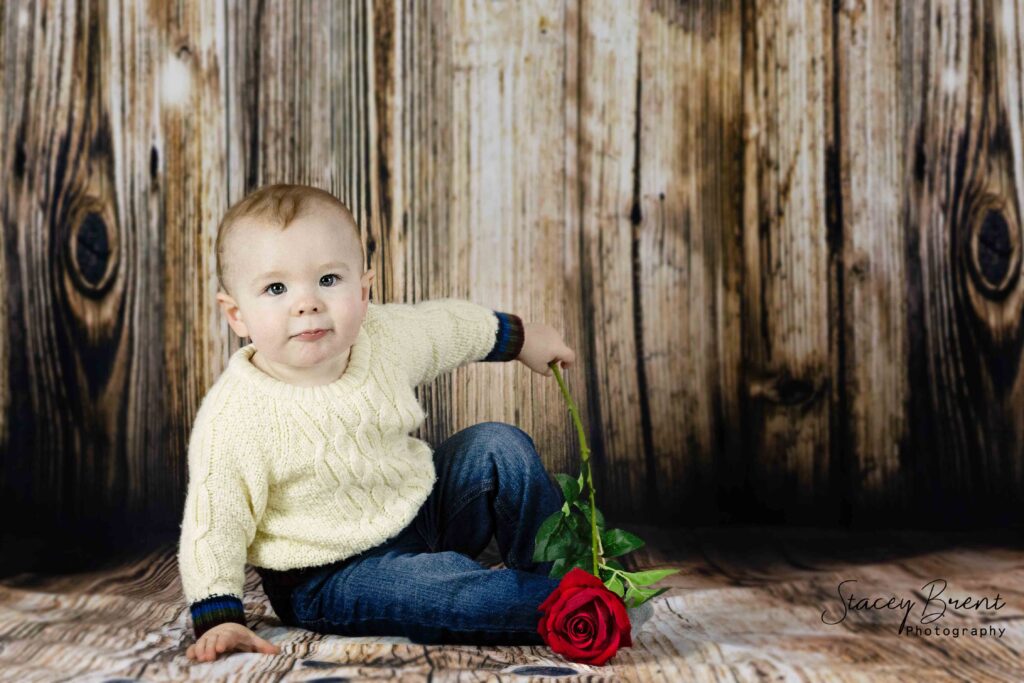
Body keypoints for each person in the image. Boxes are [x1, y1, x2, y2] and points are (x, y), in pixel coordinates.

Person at [179, 184, 576, 662]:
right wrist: (219, 617)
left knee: (498, 444)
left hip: (423, 513)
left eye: (328, 280)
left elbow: (445, 328)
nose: (306, 303)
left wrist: (522, 338)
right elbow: (214, 522)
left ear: (363, 291)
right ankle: (568, 608)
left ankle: (568, 572)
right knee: (443, 592)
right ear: (236, 314)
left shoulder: (382, 337)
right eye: (276, 288)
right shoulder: (235, 416)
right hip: (329, 575)